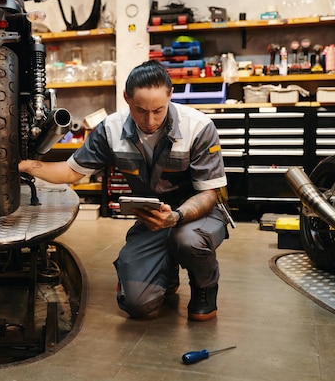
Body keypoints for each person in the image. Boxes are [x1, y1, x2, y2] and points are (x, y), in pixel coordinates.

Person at [19, 60, 229, 320]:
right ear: (126, 98)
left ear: (170, 95)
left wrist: (176, 217)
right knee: (136, 305)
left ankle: (205, 287)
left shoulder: (198, 127)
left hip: (199, 215)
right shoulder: (110, 129)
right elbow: (72, 171)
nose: (150, 120)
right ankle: (166, 272)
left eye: (158, 110)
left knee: (186, 240)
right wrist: (27, 165)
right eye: (140, 110)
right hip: (154, 219)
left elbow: (210, 194)